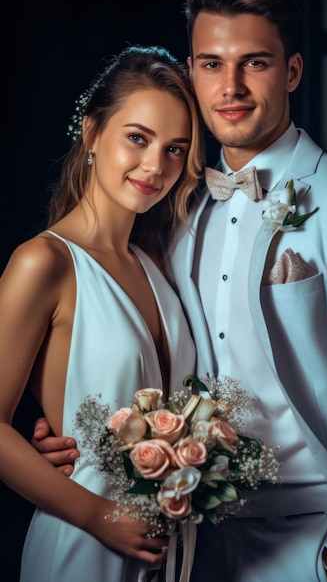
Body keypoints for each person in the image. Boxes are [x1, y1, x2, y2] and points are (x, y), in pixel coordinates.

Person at [31, 0, 327, 582]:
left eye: (254, 63)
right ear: (192, 72)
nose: (229, 85)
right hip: (190, 543)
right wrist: (67, 438)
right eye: (210, 63)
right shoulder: (173, 213)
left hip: (316, 536)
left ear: (291, 70)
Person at [0, 44, 204, 582]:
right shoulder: (43, 262)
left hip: (170, 550)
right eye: (137, 138)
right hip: (84, 542)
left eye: (175, 149)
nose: (155, 165)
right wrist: (99, 516)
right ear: (92, 132)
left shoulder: (156, 265)